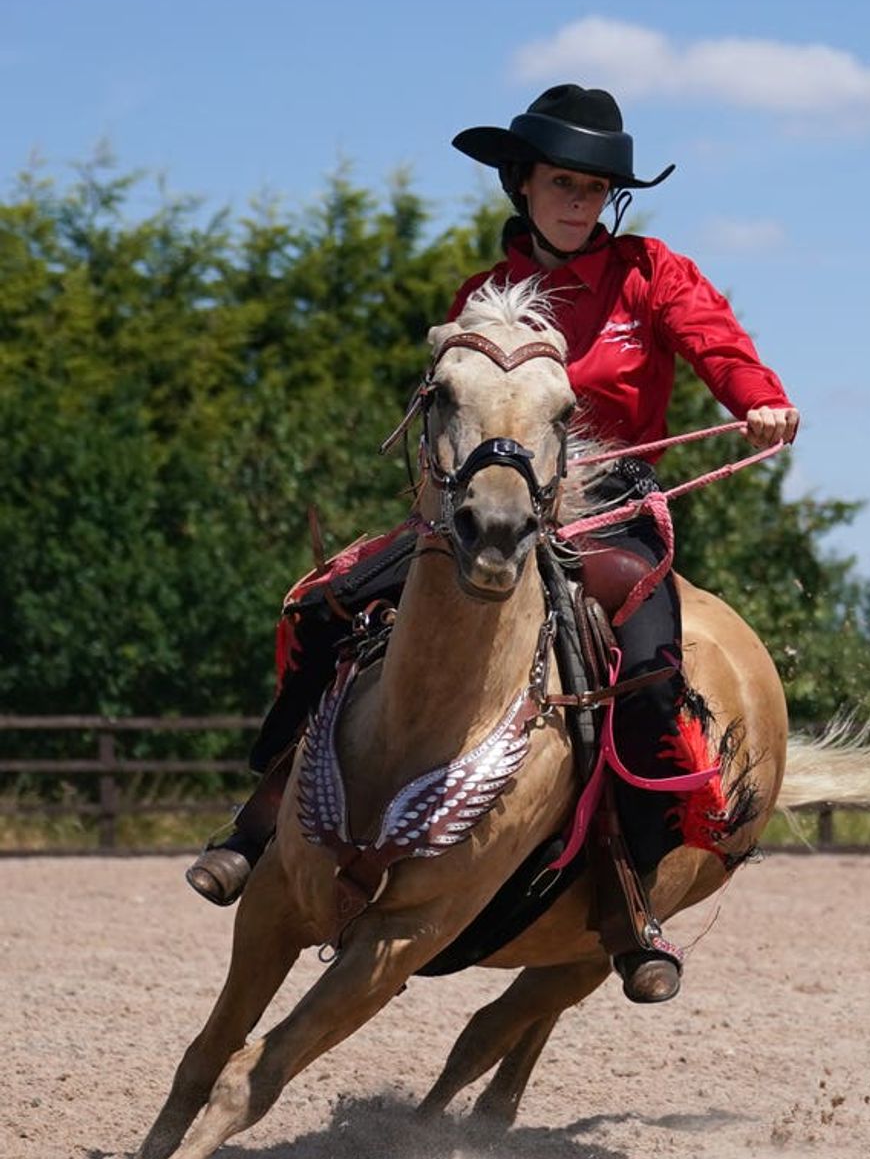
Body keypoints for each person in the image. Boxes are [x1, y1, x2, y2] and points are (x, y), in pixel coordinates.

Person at [187, 84, 799, 1002]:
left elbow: (717, 345)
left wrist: (755, 398)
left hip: (608, 509)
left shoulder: (651, 274)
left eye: (597, 187)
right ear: (522, 184)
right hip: (483, 506)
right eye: (564, 182)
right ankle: (263, 819)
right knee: (327, 605)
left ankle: (630, 904)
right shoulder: (482, 298)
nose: (581, 201)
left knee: (648, 671)